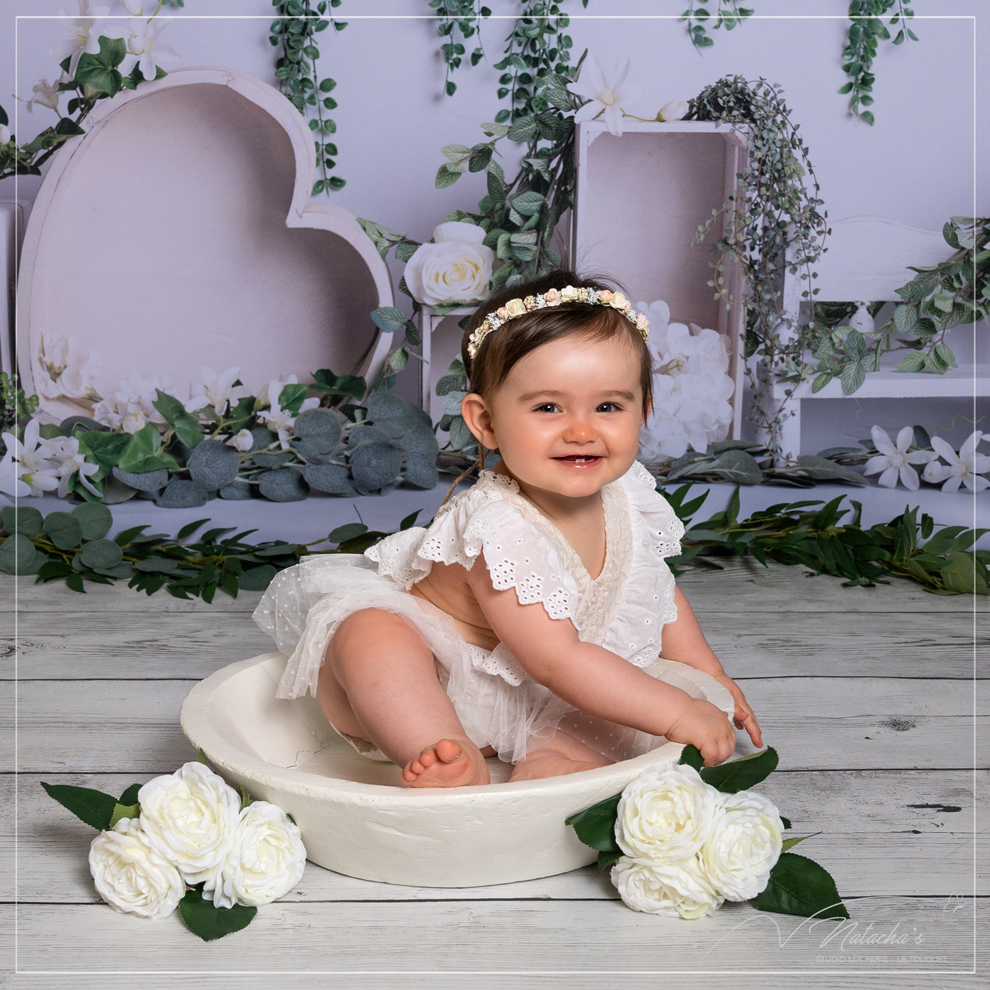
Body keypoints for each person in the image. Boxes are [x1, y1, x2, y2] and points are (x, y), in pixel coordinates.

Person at [254, 270, 762, 789]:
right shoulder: (498, 526)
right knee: (371, 634)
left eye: (608, 406)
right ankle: (437, 748)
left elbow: (656, 591)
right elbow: (557, 660)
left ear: (643, 411)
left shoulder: (629, 493)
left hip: (545, 687)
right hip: (447, 676)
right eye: (548, 407)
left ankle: (552, 765)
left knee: (600, 719)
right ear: (486, 422)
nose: (582, 430)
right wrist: (678, 710)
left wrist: (709, 677)